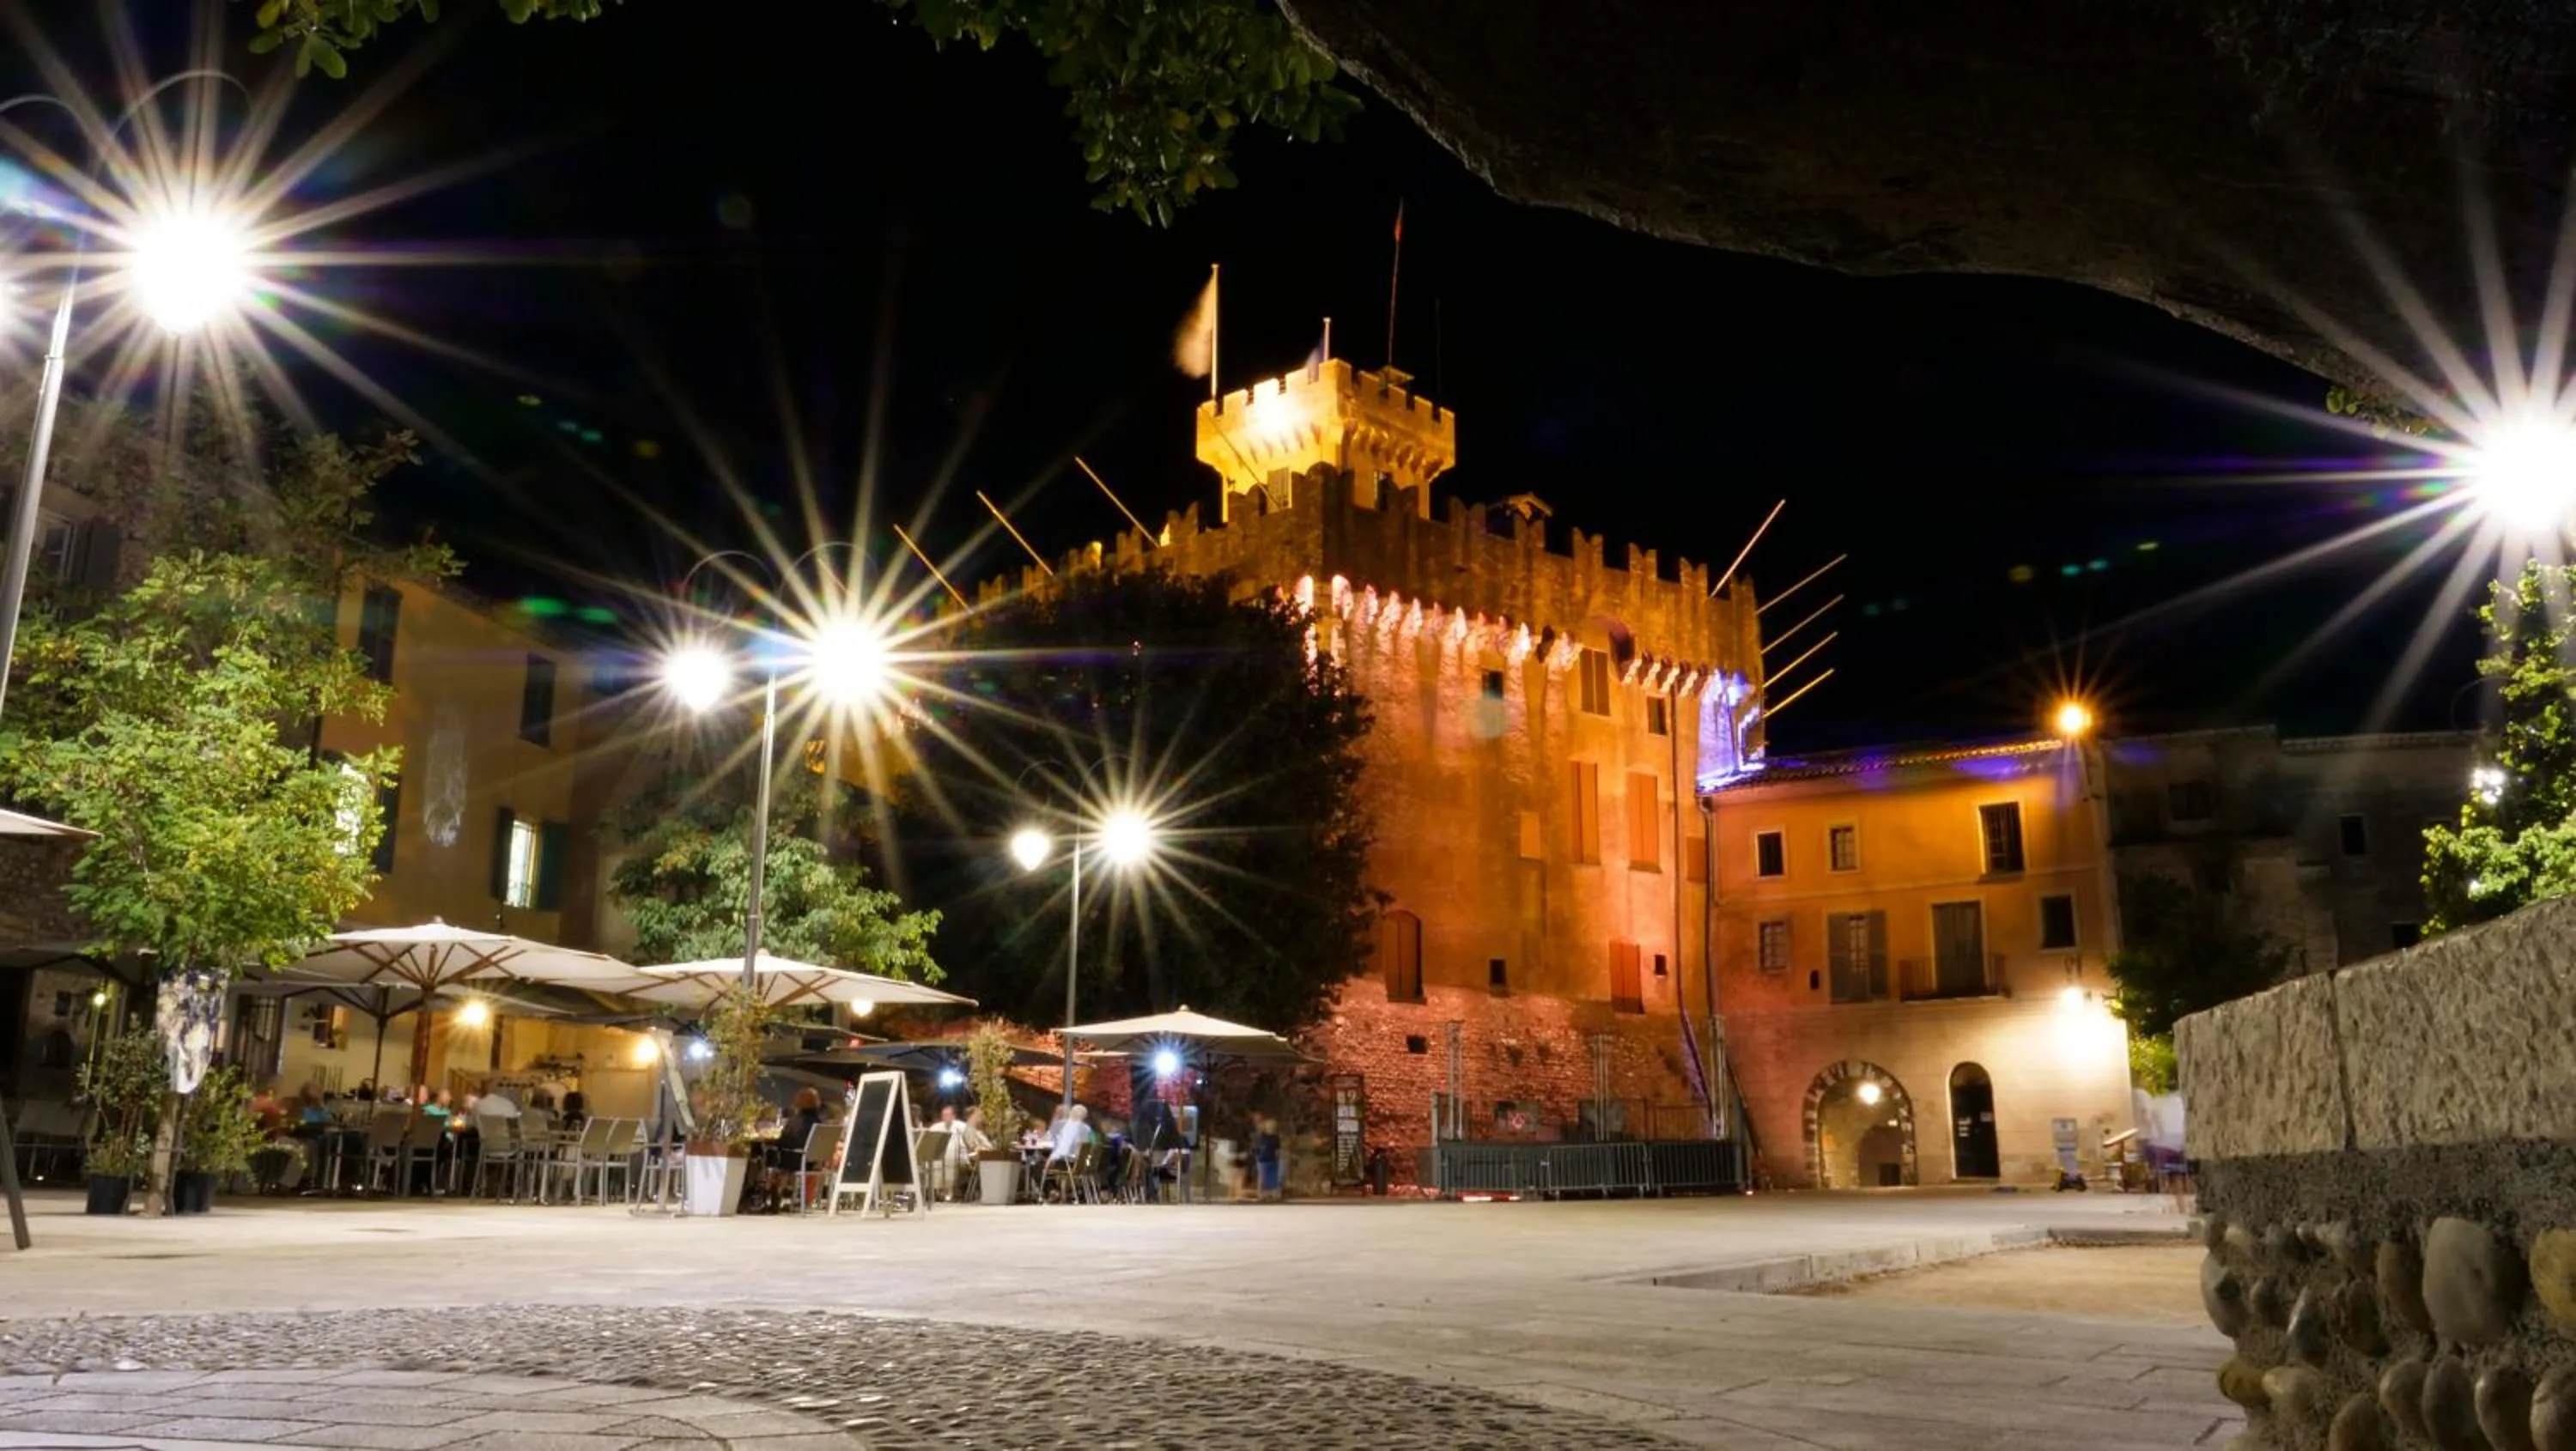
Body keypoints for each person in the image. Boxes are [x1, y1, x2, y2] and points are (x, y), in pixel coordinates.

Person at [1254, 1115, 1284, 1202]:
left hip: (1272, 1159)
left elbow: (1277, 1150)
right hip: (1263, 1159)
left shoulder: (1276, 1138)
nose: (1271, 1127)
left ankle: (1273, 1194)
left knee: (1272, 1177)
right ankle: (1261, 1194)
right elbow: (1258, 1147)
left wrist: (1278, 1158)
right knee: (1263, 1177)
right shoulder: (1262, 1136)